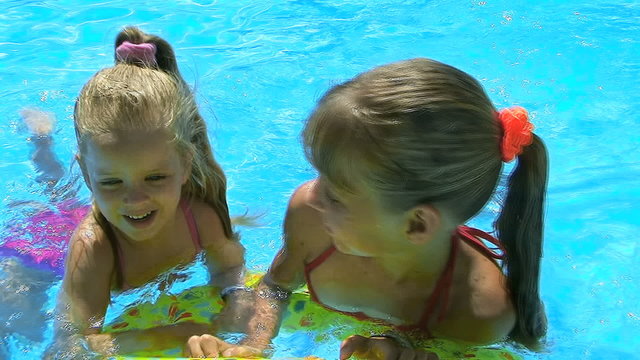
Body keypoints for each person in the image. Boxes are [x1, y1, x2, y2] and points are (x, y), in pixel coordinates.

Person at [185, 58, 548, 359]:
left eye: (337, 196)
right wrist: (252, 347)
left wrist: (406, 350)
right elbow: (275, 288)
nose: (314, 197)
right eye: (321, 178)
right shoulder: (311, 217)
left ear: (417, 225)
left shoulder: (477, 311)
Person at [47, 26, 248, 358]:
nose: (136, 199)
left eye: (155, 177)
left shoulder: (199, 215)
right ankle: (41, 142)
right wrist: (171, 334)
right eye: (111, 182)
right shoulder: (94, 250)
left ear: (185, 164)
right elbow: (74, 340)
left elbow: (229, 268)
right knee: (55, 190)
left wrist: (236, 297)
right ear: (86, 172)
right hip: (51, 249)